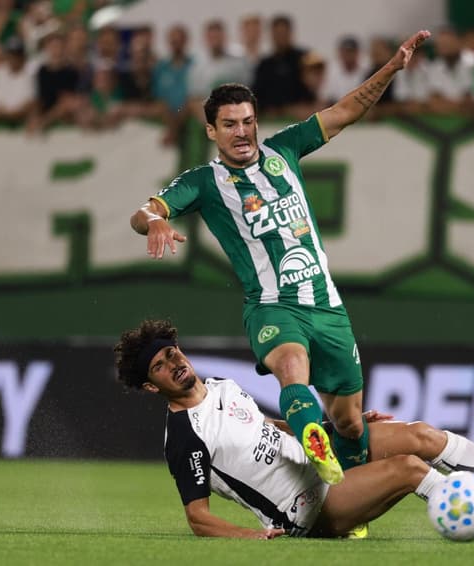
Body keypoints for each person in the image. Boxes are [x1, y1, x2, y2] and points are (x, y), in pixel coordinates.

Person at [130, 30, 432, 491]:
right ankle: (313, 440)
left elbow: (347, 110)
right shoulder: (204, 183)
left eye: (248, 122)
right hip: (272, 305)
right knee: (292, 366)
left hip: (326, 306)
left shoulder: (286, 149)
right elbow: (145, 210)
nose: (242, 132)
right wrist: (154, 221)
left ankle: (340, 482)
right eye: (229, 124)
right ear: (211, 131)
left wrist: (391, 68)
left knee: (351, 424)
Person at [113, 319, 474, 539]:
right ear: (151, 387)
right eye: (159, 365)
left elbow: (266, 427)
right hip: (307, 509)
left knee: (418, 435)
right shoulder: (185, 438)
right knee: (410, 468)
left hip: (319, 464)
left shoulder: (221, 386)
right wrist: (255, 537)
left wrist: (331, 432)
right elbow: (198, 518)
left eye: (172, 353)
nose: (174, 364)